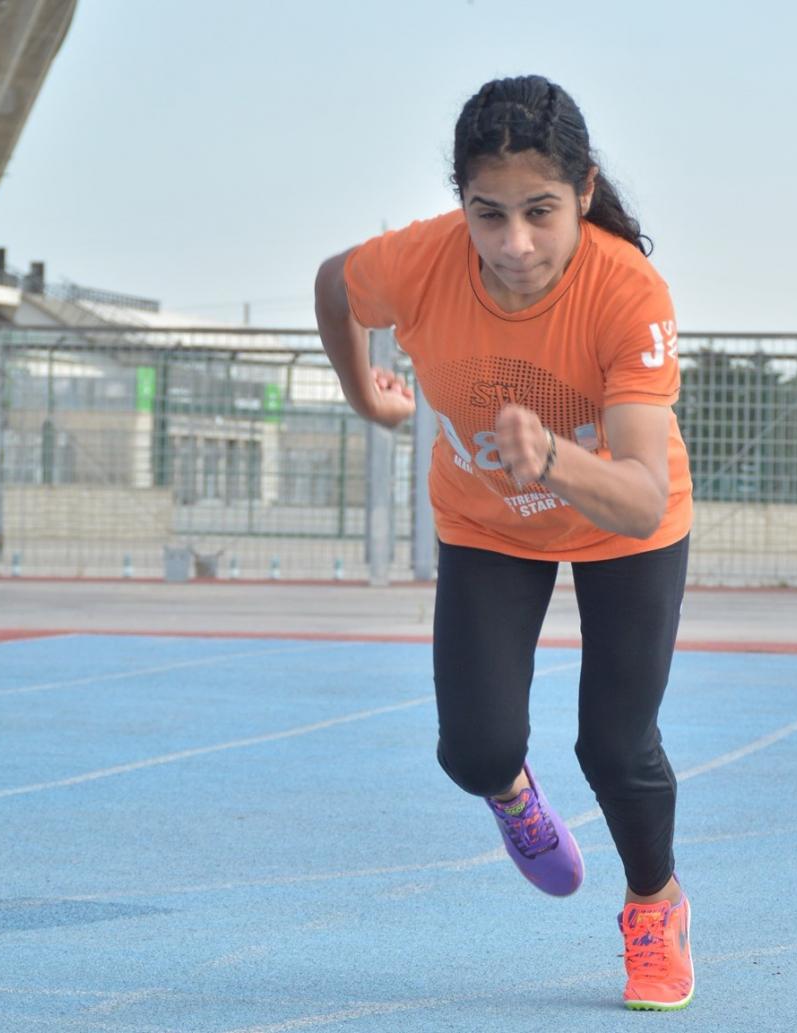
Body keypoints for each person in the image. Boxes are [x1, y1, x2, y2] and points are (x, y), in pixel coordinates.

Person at [314, 74, 694, 1011]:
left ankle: (655, 905)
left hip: (620, 525)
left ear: (585, 193)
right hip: (487, 522)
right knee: (475, 750)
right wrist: (367, 393)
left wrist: (556, 458)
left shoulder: (626, 291)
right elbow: (334, 283)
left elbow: (642, 500)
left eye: (540, 213)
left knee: (616, 746)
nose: (514, 244)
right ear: (462, 206)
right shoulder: (423, 262)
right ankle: (512, 793)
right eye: (488, 214)